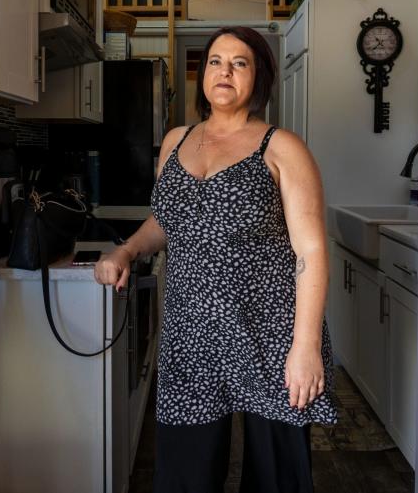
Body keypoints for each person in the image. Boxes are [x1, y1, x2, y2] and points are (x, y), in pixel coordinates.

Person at [94, 26, 336, 493]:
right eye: (215, 61)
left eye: (239, 62)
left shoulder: (282, 147)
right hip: (192, 337)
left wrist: (304, 347)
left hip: (270, 332)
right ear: (202, 74)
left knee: (277, 477)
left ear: (258, 77)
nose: (224, 71)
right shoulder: (176, 141)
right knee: (185, 474)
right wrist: (126, 249)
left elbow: (311, 252)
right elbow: (165, 220)